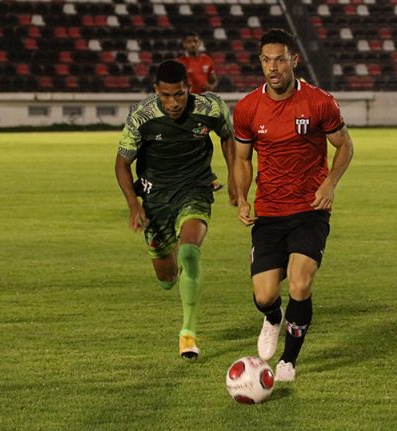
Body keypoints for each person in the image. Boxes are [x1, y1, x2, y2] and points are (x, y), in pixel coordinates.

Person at [233, 29, 354, 382]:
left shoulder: (319, 102)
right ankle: (273, 317)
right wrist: (242, 197)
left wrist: (330, 183)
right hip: (269, 212)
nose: (273, 67)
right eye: (266, 60)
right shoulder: (247, 107)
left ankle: (288, 361)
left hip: (309, 209)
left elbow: (345, 146)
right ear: (260, 62)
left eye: (280, 60)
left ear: (294, 60)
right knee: (264, 295)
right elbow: (242, 159)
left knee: (300, 284)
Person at [115, 60, 234, 360]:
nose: (173, 103)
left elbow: (228, 136)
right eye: (166, 95)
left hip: (195, 188)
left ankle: (188, 334)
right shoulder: (141, 116)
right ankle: (179, 270)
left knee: (190, 251)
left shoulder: (210, 108)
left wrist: (234, 177)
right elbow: (122, 163)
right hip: (156, 199)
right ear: (156, 90)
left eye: (179, 94)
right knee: (167, 280)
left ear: (188, 88)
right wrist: (133, 204)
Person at [177, 32, 236, 205]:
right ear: (184, 44)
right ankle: (205, 181)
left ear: (199, 42)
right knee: (195, 144)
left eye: (195, 41)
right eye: (189, 41)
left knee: (208, 141)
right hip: (189, 107)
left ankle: (224, 179)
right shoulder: (181, 62)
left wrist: (211, 85)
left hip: (206, 105)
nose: (192, 44)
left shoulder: (207, 61)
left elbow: (213, 78)